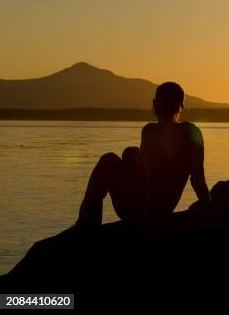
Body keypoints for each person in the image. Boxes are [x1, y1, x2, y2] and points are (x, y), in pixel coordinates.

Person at [75, 82, 210, 227]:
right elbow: (198, 178)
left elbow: (152, 176)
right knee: (130, 152)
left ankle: (86, 222)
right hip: (166, 206)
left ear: (155, 104)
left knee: (108, 160)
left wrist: (148, 220)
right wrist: (207, 204)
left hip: (136, 208)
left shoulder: (151, 131)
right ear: (181, 106)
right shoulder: (192, 132)